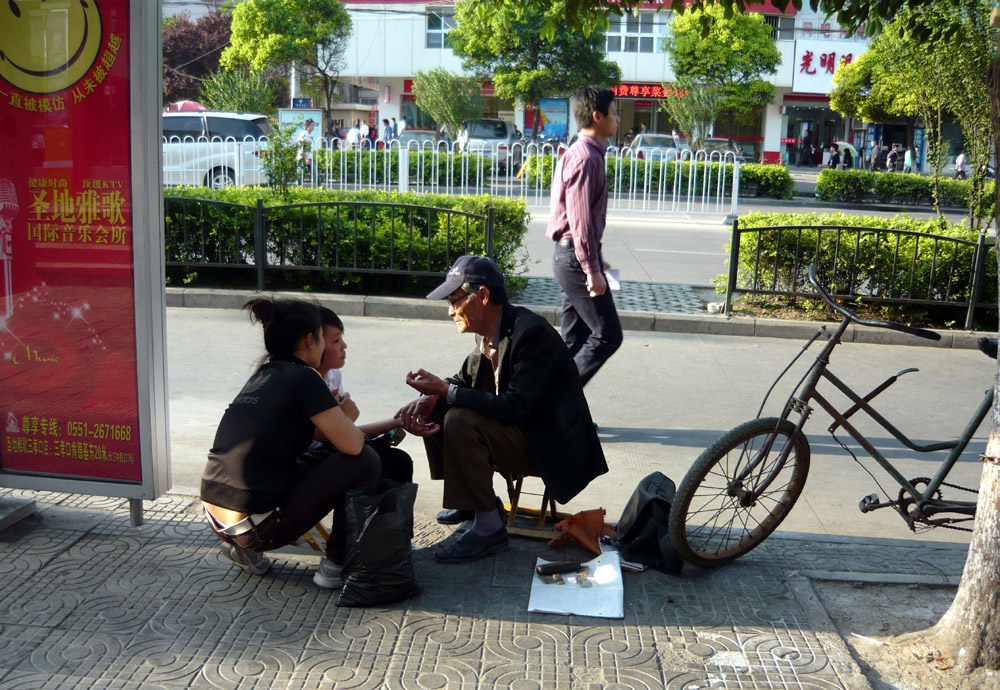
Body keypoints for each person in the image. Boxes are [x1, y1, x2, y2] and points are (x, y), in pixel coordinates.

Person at [394, 255, 607, 563]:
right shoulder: (492, 333)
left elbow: (516, 407)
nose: (451, 311)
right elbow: (465, 380)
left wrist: (447, 391)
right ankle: (473, 500)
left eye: (455, 300)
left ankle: (489, 528)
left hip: (549, 446)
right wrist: (431, 395)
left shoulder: (531, 334)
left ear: (482, 296)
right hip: (521, 433)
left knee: (460, 417)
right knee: (439, 405)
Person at [201, 298, 380, 588]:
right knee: (367, 461)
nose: (325, 345)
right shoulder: (305, 378)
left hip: (215, 515)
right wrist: (348, 416)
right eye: (323, 337)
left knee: (309, 464)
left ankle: (245, 550)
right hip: (255, 527)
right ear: (310, 340)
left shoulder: (264, 375)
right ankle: (335, 564)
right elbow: (353, 447)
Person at [546, 85, 623, 387]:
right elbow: (579, 221)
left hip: (572, 255)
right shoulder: (586, 159)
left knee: (574, 342)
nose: (618, 119)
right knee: (607, 335)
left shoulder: (586, 154)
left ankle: (560, 417)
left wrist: (596, 258)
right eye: (614, 113)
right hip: (574, 260)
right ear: (597, 116)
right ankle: (552, 405)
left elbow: (584, 221)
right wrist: (591, 269)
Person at [312, 307, 414, 483]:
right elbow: (329, 437)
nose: (344, 346)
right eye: (336, 341)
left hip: (334, 447)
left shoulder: (332, 375)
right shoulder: (306, 381)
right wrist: (344, 415)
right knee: (369, 461)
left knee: (398, 461)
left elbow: (348, 434)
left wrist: (400, 420)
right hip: (305, 462)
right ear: (312, 343)